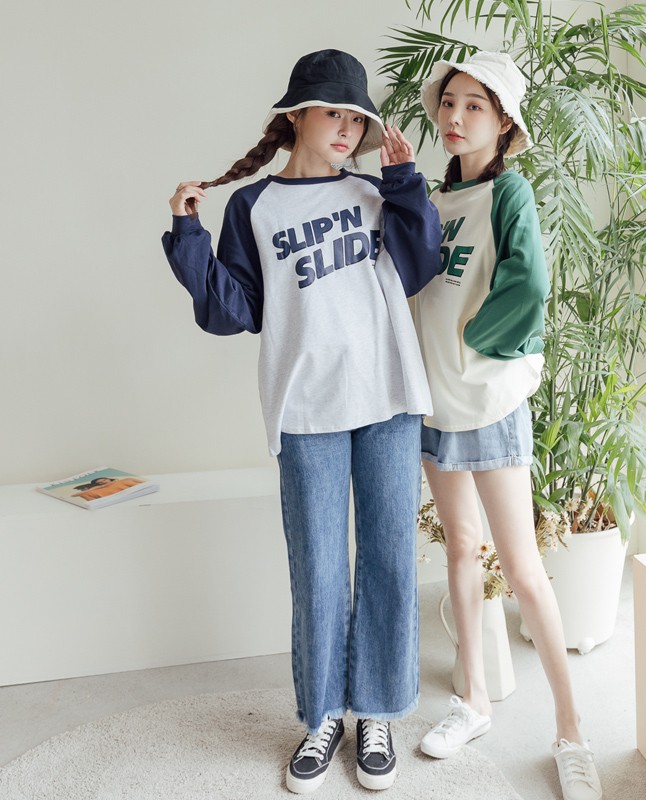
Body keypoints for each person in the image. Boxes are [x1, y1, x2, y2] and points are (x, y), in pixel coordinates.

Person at [161, 49, 441, 795]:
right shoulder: (253, 207)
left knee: (388, 561)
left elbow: (421, 266)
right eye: (332, 113)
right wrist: (188, 236)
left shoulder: (374, 191)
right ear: (296, 117)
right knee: (318, 570)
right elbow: (233, 312)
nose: (346, 128)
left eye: (356, 117)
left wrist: (405, 181)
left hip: (387, 396)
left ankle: (375, 711)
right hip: (305, 408)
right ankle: (321, 717)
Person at [413, 52, 603, 800]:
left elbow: (529, 286)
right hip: (435, 404)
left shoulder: (509, 192)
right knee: (461, 549)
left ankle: (571, 733)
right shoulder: (433, 199)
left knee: (522, 568)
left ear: (502, 123)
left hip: (487, 400)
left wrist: (470, 345)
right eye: (449, 103)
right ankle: (474, 702)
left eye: (474, 106)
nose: (455, 117)